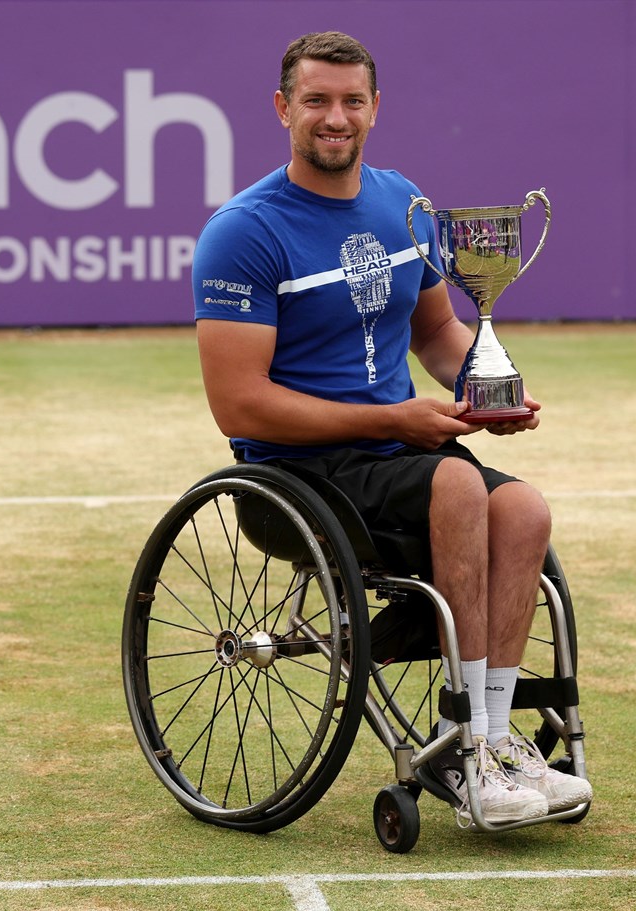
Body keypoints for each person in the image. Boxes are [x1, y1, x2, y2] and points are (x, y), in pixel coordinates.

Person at [190, 31, 591, 825]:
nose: (334, 118)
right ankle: (474, 755)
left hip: (402, 447)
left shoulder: (402, 200)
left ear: (376, 108)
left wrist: (485, 390)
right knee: (451, 480)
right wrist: (395, 419)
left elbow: (438, 334)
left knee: (525, 510)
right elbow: (239, 405)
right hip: (297, 469)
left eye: (351, 101)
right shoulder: (243, 231)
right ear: (283, 110)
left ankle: (485, 736)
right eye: (316, 101)